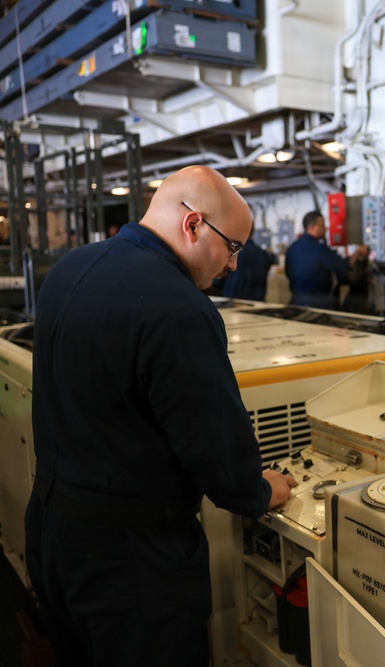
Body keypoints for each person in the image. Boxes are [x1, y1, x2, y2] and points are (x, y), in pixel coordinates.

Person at [25, 165, 298, 667]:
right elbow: (217, 451)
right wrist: (260, 491)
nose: (233, 264)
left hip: (51, 530)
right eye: (232, 247)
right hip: (132, 563)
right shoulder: (180, 309)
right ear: (193, 224)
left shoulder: (70, 268)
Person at [284, 210, 349, 309]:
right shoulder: (319, 249)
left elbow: (288, 273)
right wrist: (358, 254)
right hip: (319, 303)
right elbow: (341, 265)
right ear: (311, 227)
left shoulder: (291, 249)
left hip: (296, 301)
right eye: (322, 226)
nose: (325, 228)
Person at [214, 223, 277, 301]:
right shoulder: (263, 254)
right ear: (253, 231)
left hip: (233, 302)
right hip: (258, 303)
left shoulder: (232, 252)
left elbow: (218, 281)